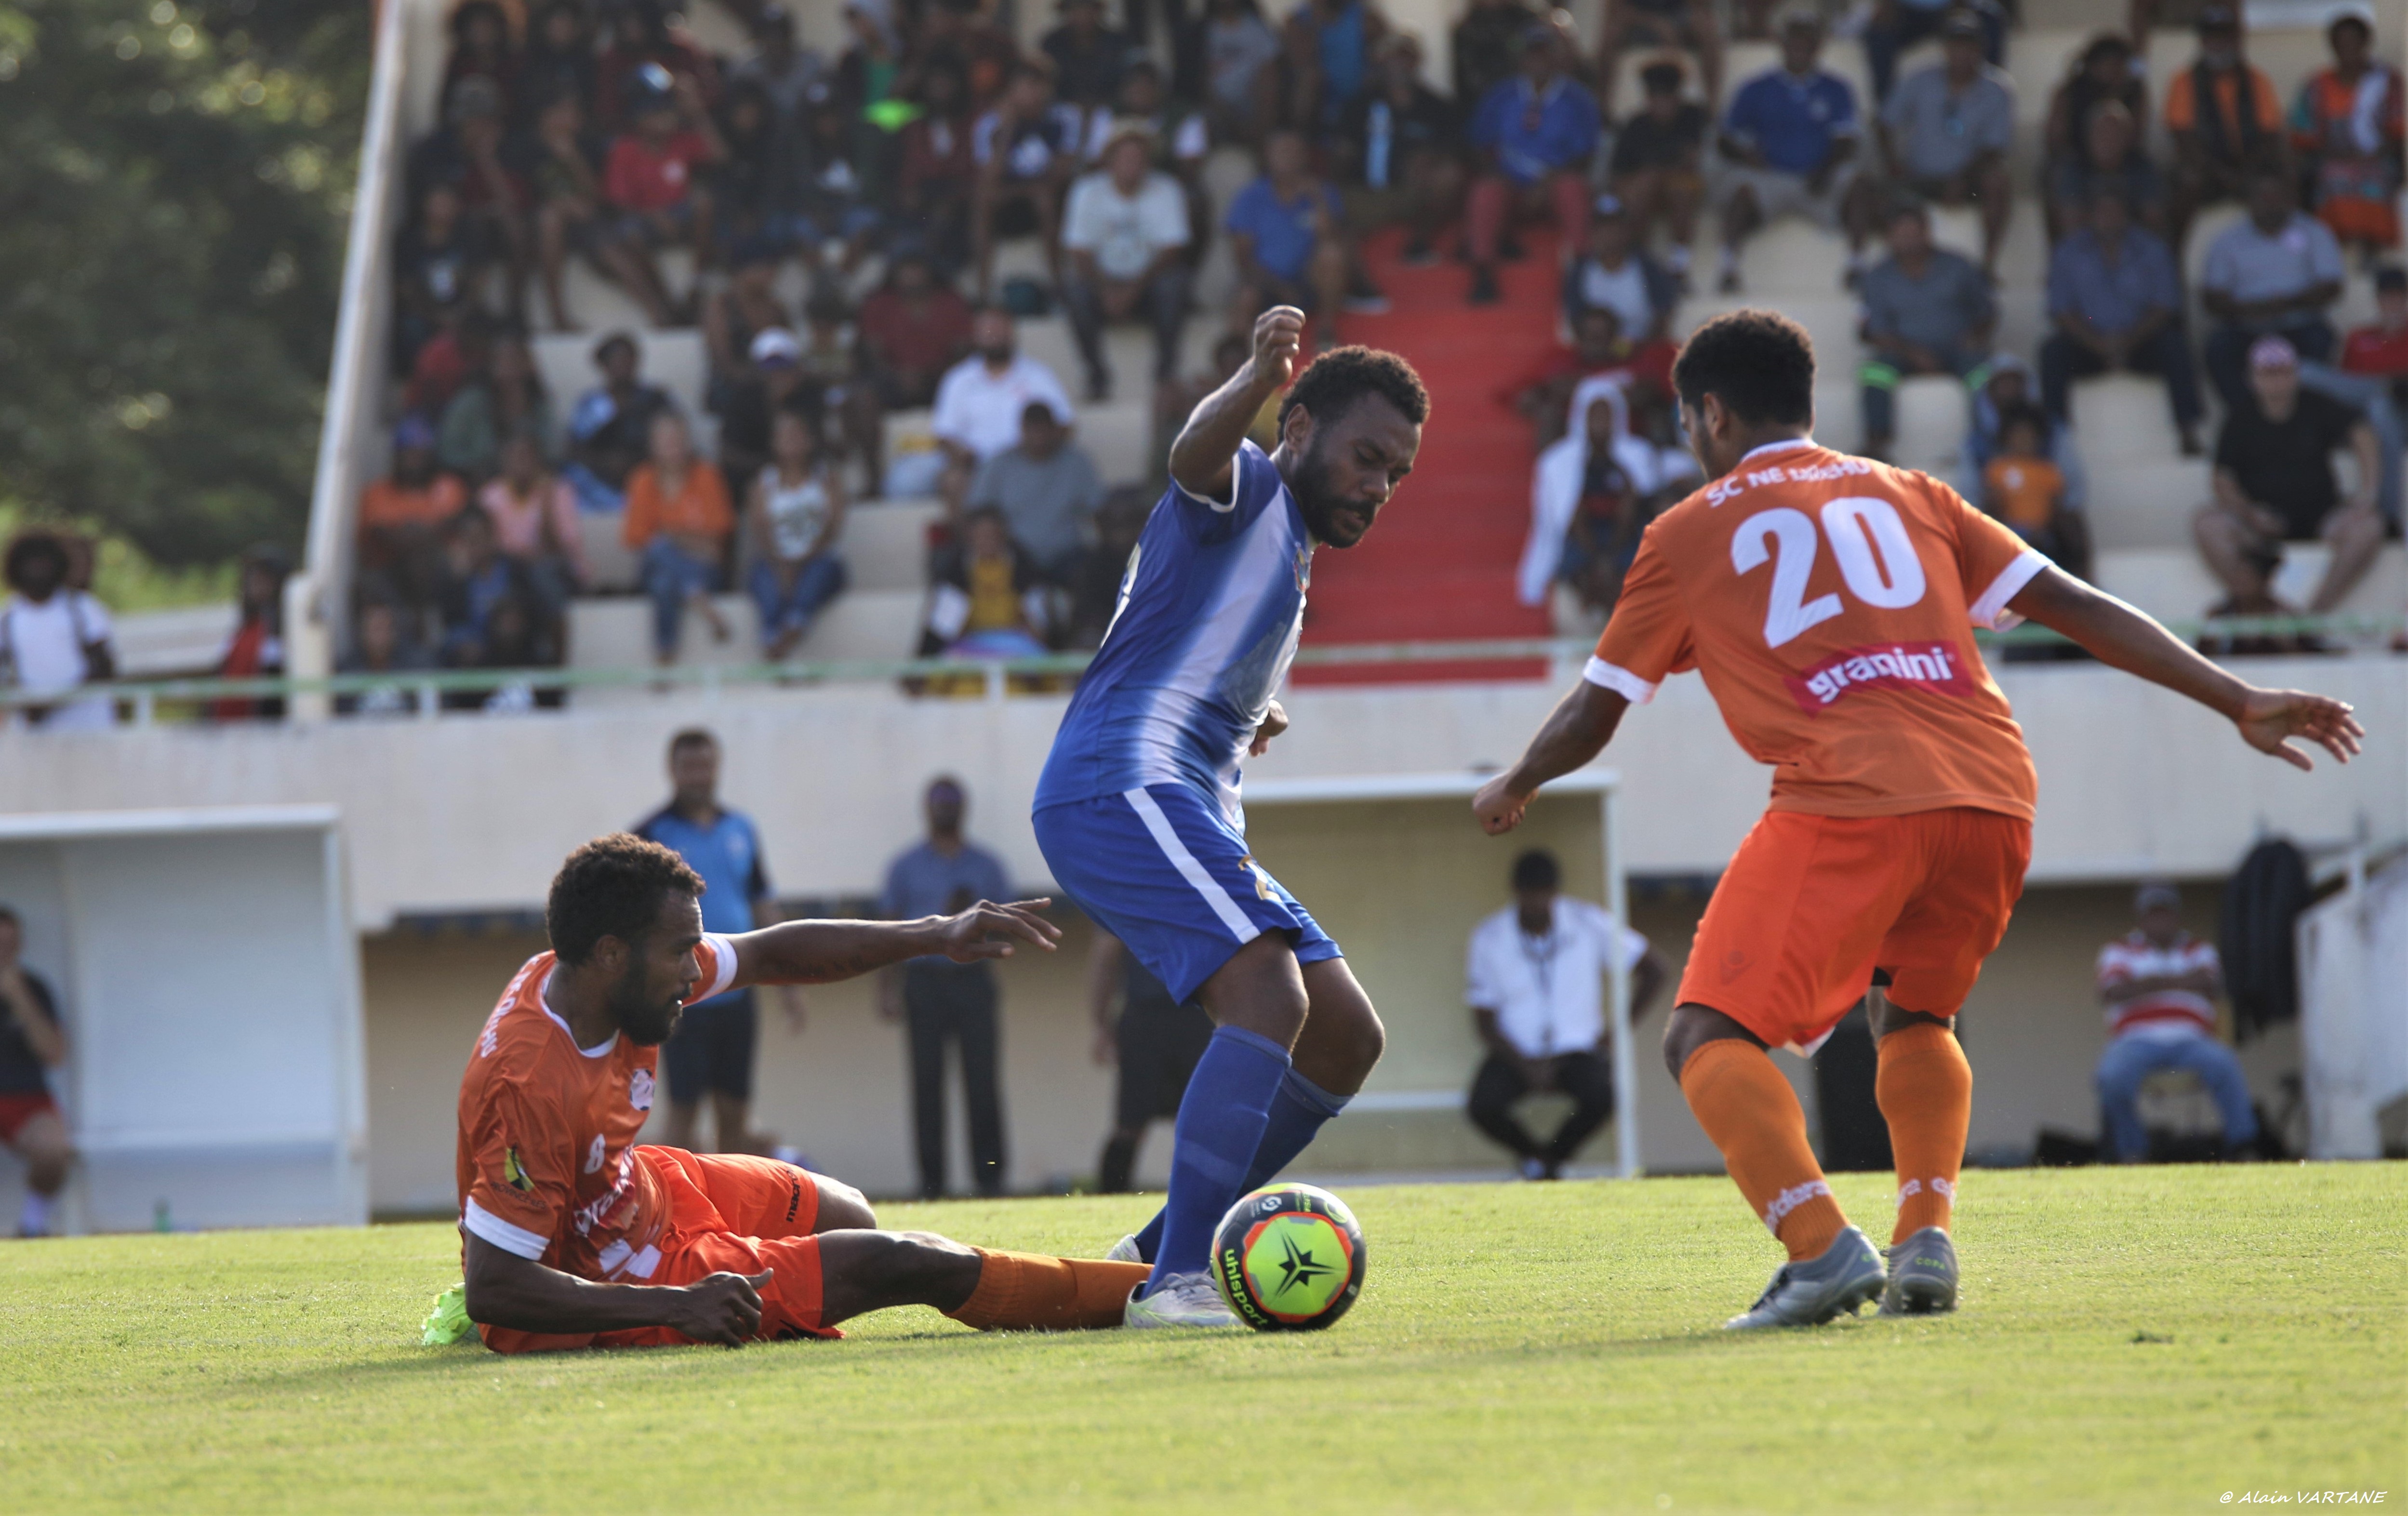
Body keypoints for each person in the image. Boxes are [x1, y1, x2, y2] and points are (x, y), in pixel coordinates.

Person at [1471, 308, 2362, 1330]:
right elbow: (2072, 601)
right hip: (1990, 791)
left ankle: (1816, 1251)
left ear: (1709, 413)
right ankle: (1923, 1237)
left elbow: (1597, 704)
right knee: (1914, 1014)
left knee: (1702, 1032)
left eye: (1685, 422)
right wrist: (2233, 698)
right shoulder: (1913, 493)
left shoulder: (1685, 531)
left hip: (1851, 796)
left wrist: (1516, 781)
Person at [1031, 311, 1427, 1327]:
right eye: (1365, 457)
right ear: (1294, 429)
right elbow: (1190, 455)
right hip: (1122, 783)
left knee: (1343, 1035)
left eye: (1395, 475)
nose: (1378, 488)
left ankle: (1158, 1247)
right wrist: (1249, 378)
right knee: (1265, 991)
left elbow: (1182, 631)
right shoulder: (1248, 480)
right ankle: (1178, 1285)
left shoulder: (1284, 549)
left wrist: (1252, 707)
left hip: (1172, 792)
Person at [449, 832, 1151, 1351]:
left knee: (851, 1214)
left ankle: (769, 1290)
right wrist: (679, 1303)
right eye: (679, 956)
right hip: (613, 1271)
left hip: (648, 1188)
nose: (694, 974)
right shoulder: (528, 1079)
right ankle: (1148, 1293)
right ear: (609, 954)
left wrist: (936, 933)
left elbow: (770, 952)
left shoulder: (590, 972)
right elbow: (496, 1288)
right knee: (903, 1262)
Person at [629, 731, 803, 1156]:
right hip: (680, 997)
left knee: (736, 1110)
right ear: (672, 771)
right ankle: (670, 1211)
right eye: (689, 766)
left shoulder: (741, 828)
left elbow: (763, 905)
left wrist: (790, 983)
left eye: (705, 765)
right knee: (683, 1112)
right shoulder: (651, 832)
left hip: (736, 991)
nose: (698, 776)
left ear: (717, 768)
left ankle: (730, 1209)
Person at [1464, 850, 1667, 1179]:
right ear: (1516, 892)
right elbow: (1483, 1021)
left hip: (1577, 1050)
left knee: (1602, 1097)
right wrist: (1525, 1065)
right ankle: (1535, 1158)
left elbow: (1655, 970)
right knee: (1481, 1105)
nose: (1537, 903)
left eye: (1544, 894)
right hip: (1517, 1053)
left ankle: (1550, 1162)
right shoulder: (1490, 937)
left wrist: (1614, 1035)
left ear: (1555, 892)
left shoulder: (1588, 922)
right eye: (1530, 894)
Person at [879, 778, 1015, 1198]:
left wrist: (979, 927)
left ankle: (990, 1180)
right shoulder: (905, 866)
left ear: (964, 807)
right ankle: (932, 1186)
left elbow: (1008, 929)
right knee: (927, 1086)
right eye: (938, 802)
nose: (945, 809)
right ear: (926, 808)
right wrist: (887, 989)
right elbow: (889, 930)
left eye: (952, 801)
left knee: (982, 1085)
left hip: (973, 982)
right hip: (924, 983)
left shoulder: (987, 866)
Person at [2194, 336, 2385, 617]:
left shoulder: (2317, 405)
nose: (2276, 382)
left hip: (2322, 516)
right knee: (2207, 524)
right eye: (2268, 374)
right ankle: (2264, 606)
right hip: (2259, 524)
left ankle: (2314, 616)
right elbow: (2222, 479)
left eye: (2282, 372)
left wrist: (2367, 495)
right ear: (2252, 378)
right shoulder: (2240, 417)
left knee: (2369, 527)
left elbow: (2363, 434)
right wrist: (2250, 514)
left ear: (2295, 374)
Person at [2094, 883, 2259, 1164]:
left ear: (2176, 916)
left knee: (2225, 1063)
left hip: (2192, 1040)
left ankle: (2243, 1145)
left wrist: (2147, 984)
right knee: (2111, 1075)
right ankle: (2133, 1151)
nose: (2160, 921)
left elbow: (2211, 984)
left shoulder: (2198, 949)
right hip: (2136, 1041)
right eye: (2153, 914)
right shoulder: (2120, 950)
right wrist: (2181, 981)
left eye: (2166, 913)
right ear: (2142, 918)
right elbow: (2111, 991)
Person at [1714, 13, 1873, 295]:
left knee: (1858, 183)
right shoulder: (1757, 87)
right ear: (1782, 44)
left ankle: (1857, 265)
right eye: (1794, 41)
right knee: (1740, 188)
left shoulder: (1836, 88)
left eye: (1807, 41)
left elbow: (1848, 141)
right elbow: (1725, 139)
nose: (1800, 47)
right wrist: (1747, 157)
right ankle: (1728, 268)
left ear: (1817, 47)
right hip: (1771, 176)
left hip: (1819, 176)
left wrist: (1825, 171)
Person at [2039, 186, 2203, 454]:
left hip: (2140, 341)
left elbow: (2164, 306)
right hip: (2089, 344)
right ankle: (2058, 439)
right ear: (2090, 216)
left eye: (2116, 211)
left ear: (2128, 215)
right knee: (2053, 352)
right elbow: (2062, 311)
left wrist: (2126, 342)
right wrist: (2099, 344)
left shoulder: (2153, 248)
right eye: (2102, 211)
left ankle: (2188, 430)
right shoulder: (2068, 252)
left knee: (2175, 346)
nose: (2109, 218)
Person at [1463, 28, 1600, 306]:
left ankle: (1583, 271)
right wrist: (1501, 175)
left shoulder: (1578, 99)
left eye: (1545, 55)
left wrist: (1548, 183)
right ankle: (1483, 272)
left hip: (1555, 184)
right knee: (1486, 191)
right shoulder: (1500, 95)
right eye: (1532, 55)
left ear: (1557, 59)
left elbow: (1587, 154)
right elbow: (1479, 145)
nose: (1538, 62)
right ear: (1521, 59)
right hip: (1511, 185)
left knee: (1572, 188)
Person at [1060, 122, 1194, 401]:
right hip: (1103, 282)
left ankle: (1165, 374)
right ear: (1109, 160)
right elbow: (1078, 251)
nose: (1132, 163)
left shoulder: (1167, 189)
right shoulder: (1087, 191)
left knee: (1176, 283)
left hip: (1147, 284)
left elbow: (1174, 249)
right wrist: (1106, 290)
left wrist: (1133, 290)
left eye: (1139, 157)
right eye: (1124, 156)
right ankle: (1096, 375)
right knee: (1073, 286)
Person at [1877, 12, 2014, 280]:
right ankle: (1893, 267)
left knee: (1999, 182)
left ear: (1981, 49)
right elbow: (1884, 122)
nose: (1962, 53)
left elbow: (1995, 149)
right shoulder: (1919, 80)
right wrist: (1893, 163)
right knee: (1879, 192)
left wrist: (1961, 178)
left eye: (1969, 45)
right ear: (1945, 48)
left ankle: (1988, 264)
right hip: (1919, 177)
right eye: (1956, 45)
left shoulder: (1998, 89)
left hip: (1969, 179)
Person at [1857, 200, 1994, 460]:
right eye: (1901, 233)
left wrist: (1976, 336)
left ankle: (1986, 441)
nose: (1908, 239)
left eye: (1914, 231)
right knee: (1875, 371)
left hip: (1959, 348)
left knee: (1983, 372)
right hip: (1904, 352)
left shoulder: (1958, 266)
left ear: (1927, 232)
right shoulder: (1878, 277)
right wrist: (1913, 353)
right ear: (1889, 238)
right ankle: (1878, 443)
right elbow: (1877, 331)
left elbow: (1986, 312)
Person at [2199, 168, 2344, 411]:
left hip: (2300, 322)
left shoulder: (2314, 232)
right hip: (2246, 324)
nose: (2270, 203)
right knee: (2218, 349)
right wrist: (2250, 309)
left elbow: (2332, 286)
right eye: (2263, 196)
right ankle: (2248, 419)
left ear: (2291, 199)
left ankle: (2307, 418)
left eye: (2277, 196)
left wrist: (2288, 303)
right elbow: (2212, 298)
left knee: (2323, 341)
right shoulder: (2228, 241)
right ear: (2249, 201)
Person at [1088, 932, 1217, 1193]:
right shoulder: (1126, 896)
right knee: (1130, 1122)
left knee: (1199, 1123)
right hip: (1144, 1019)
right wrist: (1101, 1026)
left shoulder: (1201, 896)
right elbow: (1105, 959)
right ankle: (1110, 1197)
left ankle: (1201, 1197)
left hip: (1196, 1018)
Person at [601, 71, 726, 326]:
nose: (666, 118)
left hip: (681, 217)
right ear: (639, 118)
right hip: (645, 220)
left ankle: (697, 282)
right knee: (629, 233)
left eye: (667, 111)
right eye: (656, 113)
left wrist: (697, 114)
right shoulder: (625, 149)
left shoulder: (681, 141)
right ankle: (666, 303)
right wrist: (655, 217)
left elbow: (720, 156)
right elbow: (620, 203)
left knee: (704, 201)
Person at [931, 308, 1078, 512]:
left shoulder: (1038, 375)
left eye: (999, 329)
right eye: (987, 330)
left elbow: (1065, 424)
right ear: (975, 335)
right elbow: (945, 436)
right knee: (952, 481)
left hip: (1031, 463)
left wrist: (1036, 454)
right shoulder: (959, 379)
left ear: (1012, 333)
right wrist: (966, 458)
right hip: (978, 468)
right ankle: (975, 545)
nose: (994, 335)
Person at [2166, 5, 2287, 251]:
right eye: (2212, 37)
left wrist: (2246, 172)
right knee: (2187, 184)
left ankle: (2286, 252)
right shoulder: (2184, 81)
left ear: (2236, 39)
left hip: (2251, 168)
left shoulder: (2257, 80)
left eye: (2224, 36)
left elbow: (2269, 136)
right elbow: (2184, 139)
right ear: (2202, 41)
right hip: (2206, 170)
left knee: (2285, 180)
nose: (2218, 43)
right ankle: (2179, 256)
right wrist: (2221, 173)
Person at [620, 410, 737, 665]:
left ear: (689, 442)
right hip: (665, 564)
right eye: (665, 440)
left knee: (663, 580)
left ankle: (665, 651)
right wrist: (686, 539)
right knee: (659, 551)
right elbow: (636, 538)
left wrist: (671, 534)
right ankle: (695, 596)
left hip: (705, 570)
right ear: (653, 445)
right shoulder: (642, 479)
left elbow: (718, 538)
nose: (672, 446)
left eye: (677, 439)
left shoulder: (707, 475)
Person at [1224, 128, 1360, 345]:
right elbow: (1243, 258)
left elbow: (1335, 241)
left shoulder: (1323, 192)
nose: (1287, 157)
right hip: (1266, 283)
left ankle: (1325, 331)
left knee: (1332, 255)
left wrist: (1317, 199)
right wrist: (1280, 288)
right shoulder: (1251, 197)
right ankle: (1237, 356)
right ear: (1267, 156)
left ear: (1305, 157)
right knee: (1246, 295)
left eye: (1294, 151)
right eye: (1281, 151)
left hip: (1308, 282)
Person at [1337, 34, 1463, 266]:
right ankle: (1357, 282)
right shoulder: (1360, 103)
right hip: (1365, 194)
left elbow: (1453, 153)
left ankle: (1418, 244)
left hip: (1411, 192)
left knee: (1449, 175)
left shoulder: (1438, 106)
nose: (1398, 65)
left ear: (1417, 62)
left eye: (1405, 58)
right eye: (1391, 58)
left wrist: (1429, 159)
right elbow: (1342, 153)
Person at [2290, 13, 2403, 257]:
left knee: (2376, 178)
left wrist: (2374, 155)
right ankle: (2335, 250)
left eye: (2354, 42)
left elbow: (2396, 132)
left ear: (2366, 43)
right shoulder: (2317, 85)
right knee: (2331, 176)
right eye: (2341, 43)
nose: (2348, 49)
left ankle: (2374, 251)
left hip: (2376, 160)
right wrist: (2338, 154)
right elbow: (2303, 136)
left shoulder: (2387, 81)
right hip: (2330, 159)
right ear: (2332, 46)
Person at [971, 61, 1086, 297]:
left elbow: (1061, 173)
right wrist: (1008, 129)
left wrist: (1035, 188)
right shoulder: (990, 124)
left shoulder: (1065, 117)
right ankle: (983, 287)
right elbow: (989, 180)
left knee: (1044, 199)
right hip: (1012, 199)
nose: (1033, 94)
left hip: (1055, 198)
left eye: (1038, 86)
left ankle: (1058, 282)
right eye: (1025, 87)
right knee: (983, 201)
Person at [747, 411, 851, 661]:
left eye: (797, 435)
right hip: (777, 558)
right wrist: (781, 562)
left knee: (819, 573)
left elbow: (834, 526)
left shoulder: (826, 478)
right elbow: (760, 530)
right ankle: (773, 634)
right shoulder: (764, 483)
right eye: (785, 436)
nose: (791, 441)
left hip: (818, 557)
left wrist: (804, 559)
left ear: (810, 441)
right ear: (774, 443)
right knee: (762, 577)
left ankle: (789, 631)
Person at [968, 402, 1105, 584]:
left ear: (1055, 430)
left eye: (1043, 429)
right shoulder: (1000, 465)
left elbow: (1099, 509)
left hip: (1068, 556)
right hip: (1015, 560)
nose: (1038, 437)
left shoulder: (1077, 463)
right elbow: (977, 512)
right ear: (1022, 430)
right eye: (1032, 429)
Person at [0, 907, 71, 1238]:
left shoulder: (35, 988)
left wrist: (19, 998)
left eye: (10, 945)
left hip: (27, 1098)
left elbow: (55, 1055)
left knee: (55, 1148)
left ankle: (33, 1224)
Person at [1, 532, 117, 732]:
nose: (37, 569)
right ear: (16, 568)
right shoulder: (8, 618)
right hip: (35, 735)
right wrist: (24, 704)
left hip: (89, 727)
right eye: (30, 563)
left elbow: (104, 668)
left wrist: (52, 704)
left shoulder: (81, 609)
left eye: (44, 562)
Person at [1608, 60, 1708, 284]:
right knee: (1643, 186)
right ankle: (1639, 260)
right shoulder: (1635, 125)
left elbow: (1693, 160)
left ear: (1677, 98)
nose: (1662, 104)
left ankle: (1679, 264)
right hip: (1643, 196)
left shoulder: (1692, 117)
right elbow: (1617, 176)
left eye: (1667, 98)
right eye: (1656, 98)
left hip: (1681, 192)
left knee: (1681, 186)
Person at [359, 417, 470, 608]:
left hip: (438, 573)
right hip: (391, 572)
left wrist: (414, 533)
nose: (415, 461)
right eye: (409, 454)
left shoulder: (448, 486)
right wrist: (418, 533)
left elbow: (450, 524)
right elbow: (385, 536)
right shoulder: (377, 493)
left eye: (421, 454)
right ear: (398, 456)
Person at [480, 431, 591, 611]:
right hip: (511, 569)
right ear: (504, 462)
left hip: (556, 570)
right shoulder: (490, 496)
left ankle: (561, 628)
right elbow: (491, 547)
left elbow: (561, 549)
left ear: (538, 461)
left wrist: (547, 505)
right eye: (514, 457)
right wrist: (521, 556)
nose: (521, 464)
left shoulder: (559, 491)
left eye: (526, 456)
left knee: (542, 572)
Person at [859, 247, 977, 414]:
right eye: (906, 270)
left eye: (917, 269)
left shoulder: (952, 303)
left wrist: (932, 376)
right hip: (892, 379)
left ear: (930, 271)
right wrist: (898, 376)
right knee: (865, 395)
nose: (912, 277)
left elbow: (962, 351)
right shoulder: (879, 304)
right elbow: (873, 352)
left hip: (940, 379)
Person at [565, 333, 674, 512]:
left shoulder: (656, 399)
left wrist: (636, 462)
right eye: (618, 359)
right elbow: (574, 448)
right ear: (605, 365)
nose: (624, 364)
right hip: (600, 481)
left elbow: (673, 441)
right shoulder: (592, 403)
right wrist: (605, 462)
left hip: (648, 474)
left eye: (629, 358)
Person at [1981, 406, 2089, 578]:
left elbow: (2057, 508)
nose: (2024, 440)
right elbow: (1993, 508)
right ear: (2006, 439)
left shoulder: (2049, 471)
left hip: (2043, 536)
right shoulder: (1998, 469)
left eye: (2029, 435)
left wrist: (2043, 531)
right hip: (2011, 534)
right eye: (2018, 435)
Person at [1560, 195, 1678, 344]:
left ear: (1627, 231)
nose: (1609, 234)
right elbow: (1575, 318)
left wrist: (1640, 352)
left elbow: (1663, 313)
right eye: (1602, 228)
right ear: (1593, 233)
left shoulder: (1647, 267)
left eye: (1615, 227)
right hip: (1597, 356)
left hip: (1641, 353)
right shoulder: (1580, 271)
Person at [1862, 0, 2002, 111]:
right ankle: (1888, 112)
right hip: (1904, 9)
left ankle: (1991, 98)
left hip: (1953, 6)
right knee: (1879, 36)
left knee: (1990, 17)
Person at [1595, 0, 1719, 119]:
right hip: (1637, 22)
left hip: (1678, 20)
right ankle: (1602, 108)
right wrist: (1657, 24)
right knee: (1610, 34)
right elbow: (1617, 9)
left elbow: (1700, 7)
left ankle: (1712, 107)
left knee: (1707, 29)